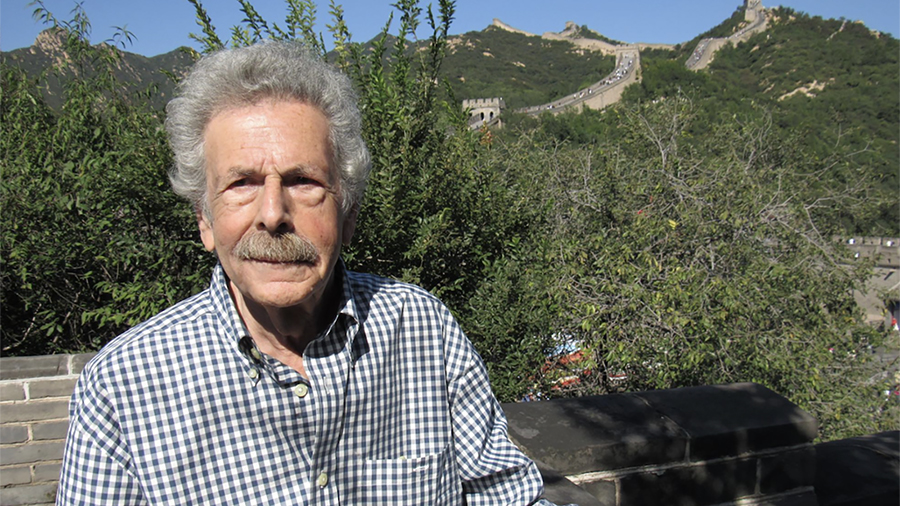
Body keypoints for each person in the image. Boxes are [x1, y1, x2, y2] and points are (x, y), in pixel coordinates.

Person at [57, 41, 558, 505]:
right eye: (241, 183)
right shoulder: (122, 388)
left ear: (349, 214)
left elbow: (509, 496)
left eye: (303, 181)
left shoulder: (424, 331)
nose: (273, 213)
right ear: (204, 220)